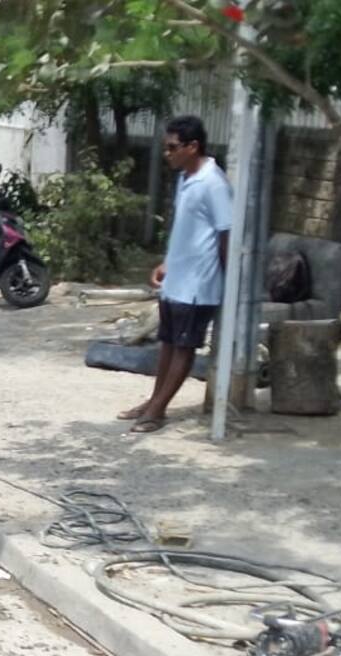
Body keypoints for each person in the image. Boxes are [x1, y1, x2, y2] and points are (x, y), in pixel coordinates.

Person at [119, 115, 231, 434]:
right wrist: (166, 263)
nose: (167, 154)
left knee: (184, 346)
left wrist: (225, 283)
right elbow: (185, 228)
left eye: (172, 148)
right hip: (177, 280)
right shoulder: (185, 178)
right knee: (167, 342)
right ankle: (153, 401)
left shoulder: (215, 183)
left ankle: (157, 410)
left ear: (192, 147)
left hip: (200, 284)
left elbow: (226, 235)